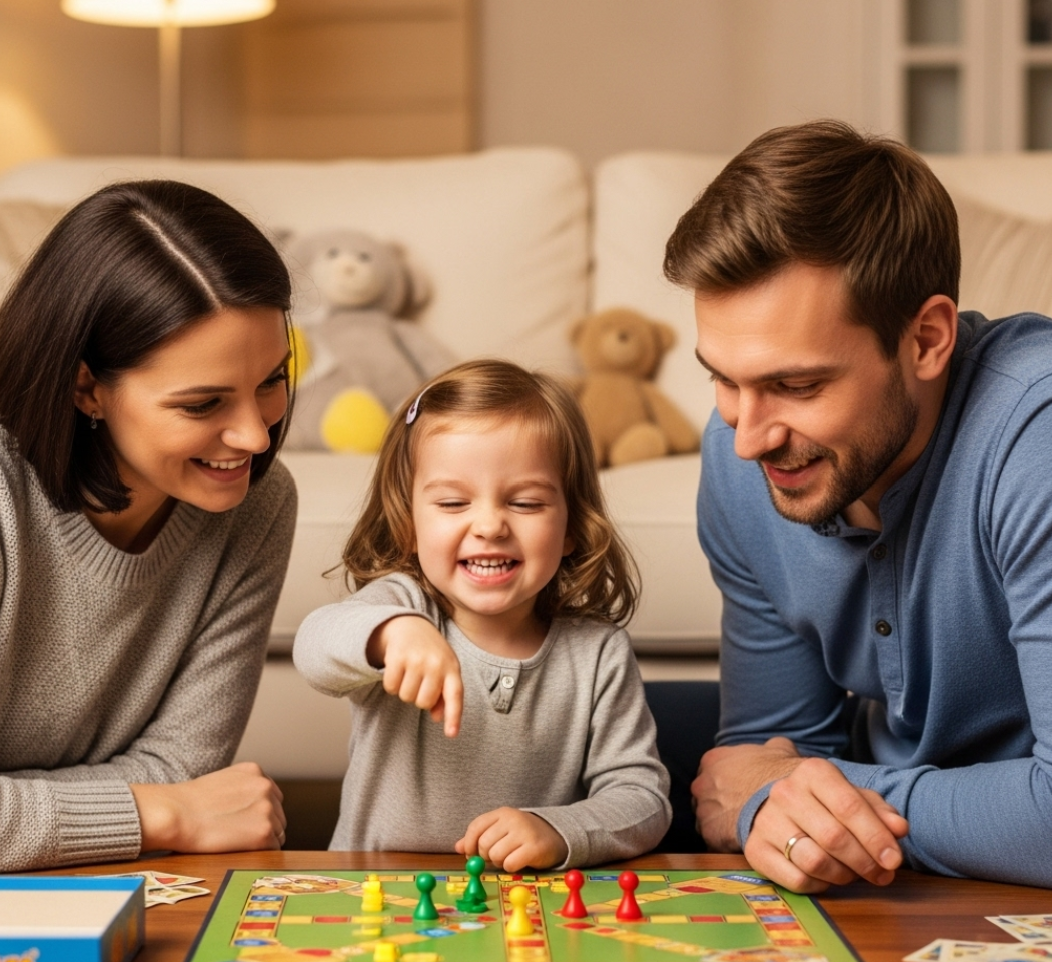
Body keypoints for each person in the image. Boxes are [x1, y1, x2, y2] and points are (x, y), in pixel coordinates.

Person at [663, 119, 1052, 892]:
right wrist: (781, 792)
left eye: (798, 385)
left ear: (926, 340)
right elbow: (773, 756)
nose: (749, 438)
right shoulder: (738, 449)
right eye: (724, 378)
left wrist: (821, 794)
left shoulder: (1035, 436)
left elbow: (765, 787)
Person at [0, 179, 298, 872]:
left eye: (272, 379)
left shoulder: (258, 503)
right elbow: (185, 794)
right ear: (86, 389)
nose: (255, 437)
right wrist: (161, 812)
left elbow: (182, 762)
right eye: (203, 404)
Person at [293, 358, 671, 871]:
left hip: (520, 908)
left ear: (573, 528)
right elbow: (314, 646)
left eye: (526, 503)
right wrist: (392, 634)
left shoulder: (597, 653)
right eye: (452, 503)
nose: (490, 525)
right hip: (378, 901)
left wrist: (559, 831)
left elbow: (641, 798)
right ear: (409, 525)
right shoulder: (400, 607)